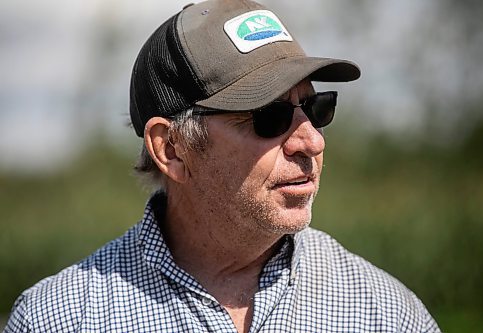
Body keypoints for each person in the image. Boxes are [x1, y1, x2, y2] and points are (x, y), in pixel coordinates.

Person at [5, 0, 440, 332]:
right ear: (171, 149)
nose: (312, 140)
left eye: (315, 106)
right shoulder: (58, 319)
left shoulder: (384, 313)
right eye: (269, 116)